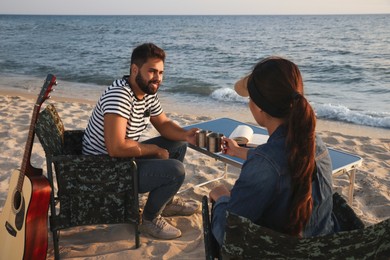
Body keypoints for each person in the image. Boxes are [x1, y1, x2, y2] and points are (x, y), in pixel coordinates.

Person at [210, 56, 336, 245]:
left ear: (259, 108)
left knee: (220, 197)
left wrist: (221, 199)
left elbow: (228, 234)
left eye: (250, 99)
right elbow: (282, 163)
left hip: (279, 252)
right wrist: (240, 152)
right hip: (323, 247)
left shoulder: (264, 164)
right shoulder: (314, 143)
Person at [82, 43, 199, 240]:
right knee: (175, 170)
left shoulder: (146, 92)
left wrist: (186, 134)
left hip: (122, 161)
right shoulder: (119, 96)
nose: (158, 78)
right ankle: (150, 219)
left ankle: (165, 202)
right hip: (105, 171)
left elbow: (163, 124)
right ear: (135, 69)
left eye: (161, 72)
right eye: (152, 71)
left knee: (179, 145)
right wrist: (154, 149)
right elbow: (116, 148)